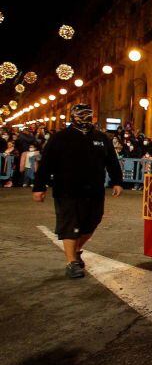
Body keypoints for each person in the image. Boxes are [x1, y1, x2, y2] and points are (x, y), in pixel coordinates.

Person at [32, 104, 123, 279]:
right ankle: (71, 262)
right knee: (70, 225)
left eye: (88, 115)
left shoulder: (101, 138)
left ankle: (76, 250)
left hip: (94, 190)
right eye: (81, 115)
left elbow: (112, 161)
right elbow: (46, 163)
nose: (85, 118)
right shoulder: (60, 138)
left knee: (92, 222)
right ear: (73, 116)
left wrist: (117, 181)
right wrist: (39, 187)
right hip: (67, 190)